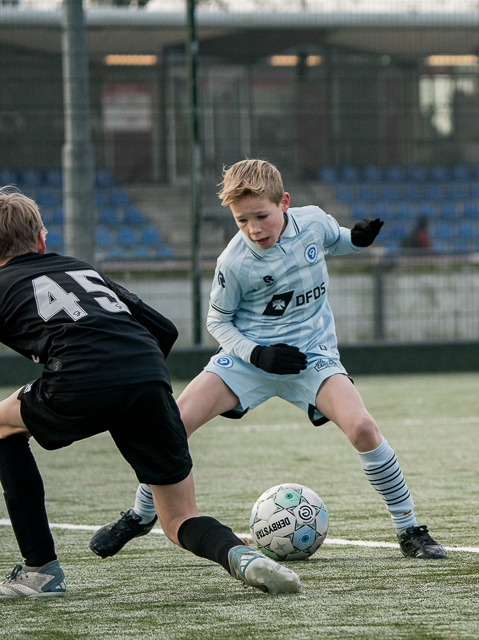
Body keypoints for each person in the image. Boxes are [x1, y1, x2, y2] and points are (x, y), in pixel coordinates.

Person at [90, 159, 446, 561]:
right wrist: (258, 353)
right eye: (242, 221)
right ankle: (140, 515)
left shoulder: (312, 222)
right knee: (170, 424)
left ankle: (410, 531)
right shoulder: (234, 262)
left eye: (261, 216)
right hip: (248, 361)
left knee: (363, 428)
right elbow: (217, 321)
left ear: (285, 204)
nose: (253, 229)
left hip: (313, 357)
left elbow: (339, 240)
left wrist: (358, 240)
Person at [0, 188, 300, 598]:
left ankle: (41, 571)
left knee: (3, 428)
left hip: (76, 381)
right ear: (41, 241)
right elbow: (165, 330)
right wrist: (130, 383)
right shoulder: (81, 269)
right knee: (178, 519)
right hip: (148, 376)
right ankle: (244, 557)